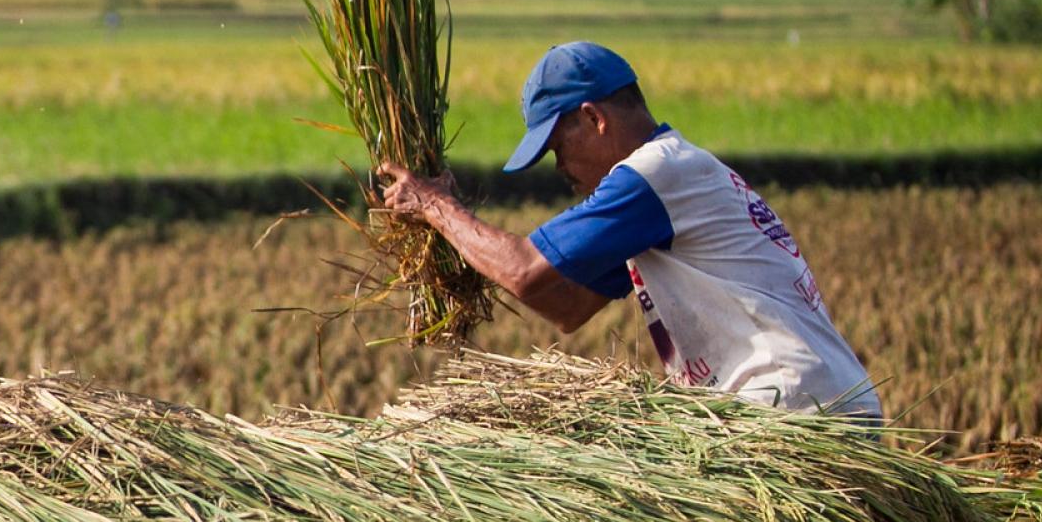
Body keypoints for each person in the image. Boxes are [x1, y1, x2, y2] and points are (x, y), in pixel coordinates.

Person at [375, 41, 882, 419]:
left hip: (792, 406)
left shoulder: (653, 175)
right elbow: (568, 307)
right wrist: (457, 246)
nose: (559, 169)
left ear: (593, 118)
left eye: (557, 148)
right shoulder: (671, 183)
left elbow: (525, 270)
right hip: (822, 401)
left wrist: (435, 206)